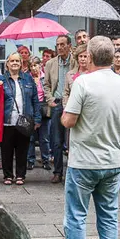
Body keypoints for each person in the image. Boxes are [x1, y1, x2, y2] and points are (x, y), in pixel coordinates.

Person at [52, 36, 120, 239]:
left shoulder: (83, 83)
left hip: (85, 161)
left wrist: (64, 114)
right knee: (109, 216)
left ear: (90, 55)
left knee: (76, 216)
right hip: (113, 160)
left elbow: (69, 120)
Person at [0, 52, 40, 185]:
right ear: (7, 64)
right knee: (6, 150)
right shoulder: (1, 79)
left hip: (25, 121)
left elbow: (35, 100)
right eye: (12, 61)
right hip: (6, 121)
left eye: (17, 61)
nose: (14, 63)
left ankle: (21, 175)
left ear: (21, 63)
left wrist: (37, 119)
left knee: (23, 149)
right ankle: (8, 175)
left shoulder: (28, 79)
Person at [43, 35, 77, 183]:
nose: (60, 47)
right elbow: (46, 85)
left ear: (69, 45)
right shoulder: (51, 63)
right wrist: (50, 100)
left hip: (73, 103)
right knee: (56, 140)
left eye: (63, 44)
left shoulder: (76, 62)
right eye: (58, 45)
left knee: (72, 140)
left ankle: (72, 171)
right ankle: (57, 172)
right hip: (57, 104)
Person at [28, 56, 51, 171]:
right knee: (31, 137)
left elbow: (49, 91)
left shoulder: (45, 77)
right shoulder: (28, 78)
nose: (34, 68)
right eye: (31, 66)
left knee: (44, 138)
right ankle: (30, 160)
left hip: (44, 107)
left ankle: (46, 160)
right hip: (32, 109)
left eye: (35, 65)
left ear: (40, 65)